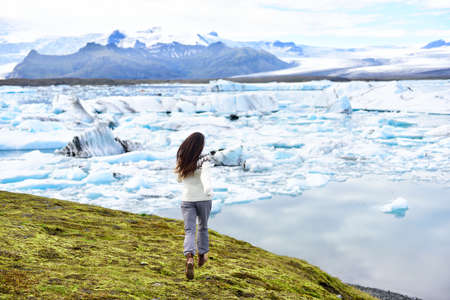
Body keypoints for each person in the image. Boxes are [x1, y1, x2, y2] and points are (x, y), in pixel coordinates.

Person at [175, 132, 213, 280]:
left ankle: (189, 257)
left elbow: (179, 179)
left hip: (187, 199)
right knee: (202, 227)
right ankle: (202, 257)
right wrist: (208, 189)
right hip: (203, 199)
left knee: (189, 230)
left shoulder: (183, 160)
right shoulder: (205, 160)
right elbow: (206, 177)